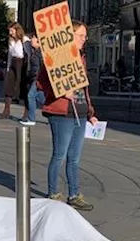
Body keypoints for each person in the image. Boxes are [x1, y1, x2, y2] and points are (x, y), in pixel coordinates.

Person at [38, 20, 98, 211]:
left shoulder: (80, 57)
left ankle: (74, 194)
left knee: (75, 158)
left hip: (79, 112)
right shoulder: (56, 57)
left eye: (84, 36)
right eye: (81, 35)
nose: (84, 39)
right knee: (59, 155)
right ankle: (53, 193)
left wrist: (90, 113)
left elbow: (84, 88)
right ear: (69, 36)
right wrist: (60, 92)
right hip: (62, 113)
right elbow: (41, 83)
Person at [1, 23, 27, 120]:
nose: (10, 33)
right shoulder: (11, 41)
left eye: (12, 30)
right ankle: (6, 110)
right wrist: (8, 67)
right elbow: (9, 55)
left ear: (17, 30)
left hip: (21, 63)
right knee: (9, 86)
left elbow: (27, 53)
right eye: (9, 31)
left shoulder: (24, 40)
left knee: (22, 87)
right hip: (13, 62)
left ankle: (26, 113)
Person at [20, 33, 45, 125]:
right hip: (36, 77)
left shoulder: (40, 52)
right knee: (40, 97)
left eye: (33, 38)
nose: (31, 40)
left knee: (31, 95)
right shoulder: (35, 51)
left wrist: (36, 76)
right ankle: (51, 110)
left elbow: (40, 66)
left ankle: (31, 119)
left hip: (38, 77)